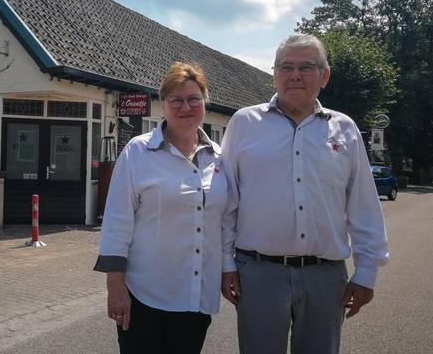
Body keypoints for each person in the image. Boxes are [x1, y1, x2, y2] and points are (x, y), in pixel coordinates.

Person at [220, 34, 389, 354]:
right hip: (259, 274)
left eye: (306, 67)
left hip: (326, 278)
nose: (294, 75)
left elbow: (363, 204)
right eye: (285, 67)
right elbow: (227, 201)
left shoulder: (345, 129)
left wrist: (366, 271)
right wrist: (225, 262)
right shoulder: (244, 123)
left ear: (324, 76)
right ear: (274, 74)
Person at [94, 61, 229, 353]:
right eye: (176, 100)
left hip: (196, 295)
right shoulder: (139, 152)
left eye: (194, 99)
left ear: (205, 102)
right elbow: (118, 220)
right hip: (145, 294)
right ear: (163, 105)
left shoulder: (219, 158)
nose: (185, 107)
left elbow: (227, 222)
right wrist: (115, 287)